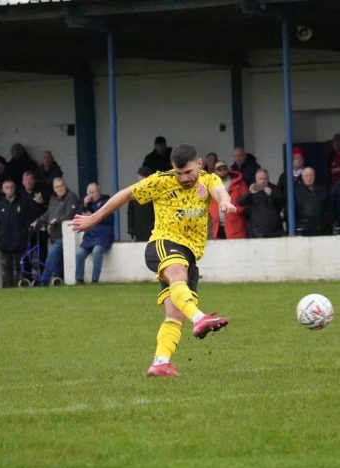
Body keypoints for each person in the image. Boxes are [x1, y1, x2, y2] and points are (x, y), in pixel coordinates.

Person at [71, 143, 236, 377]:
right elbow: (125, 194)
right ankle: (199, 318)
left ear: (198, 164)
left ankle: (160, 363)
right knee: (178, 274)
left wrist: (225, 202)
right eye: (179, 174)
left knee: (175, 314)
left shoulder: (207, 180)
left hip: (190, 254)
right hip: (163, 243)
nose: (184, 178)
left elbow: (220, 191)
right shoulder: (161, 181)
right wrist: (94, 219)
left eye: (188, 172)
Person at [32, 177, 79, 285]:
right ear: (54, 188)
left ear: (65, 185)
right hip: (52, 235)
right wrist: (37, 221)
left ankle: (43, 281)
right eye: (57, 187)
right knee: (56, 260)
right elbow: (48, 214)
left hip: (63, 236)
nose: (59, 188)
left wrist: (56, 220)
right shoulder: (53, 199)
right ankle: (59, 280)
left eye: (61, 186)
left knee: (51, 257)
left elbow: (70, 215)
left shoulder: (71, 197)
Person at [0, 179, 28, 288]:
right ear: (3, 190)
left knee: (20, 264)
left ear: (15, 189)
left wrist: (23, 235)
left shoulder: (22, 203)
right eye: (7, 188)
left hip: (19, 241)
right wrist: (0, 236)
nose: (10, 190)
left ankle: (20, 284)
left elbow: (26, 221)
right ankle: (7, 286)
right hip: (4, 241)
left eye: (12, 187)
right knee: (6, 265)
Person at [75, 183, 113, 284]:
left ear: (99, 192)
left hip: (103, 234)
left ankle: (95, 280)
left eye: (95, 192)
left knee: (96, 252)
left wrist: (93, 217)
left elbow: (108, 219)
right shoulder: (88, 204)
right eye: (90, 193)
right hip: (90, 236)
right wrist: (84, 204)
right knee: (79, 253)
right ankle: (79, 279)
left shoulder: (106, 201)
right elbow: (77, 215)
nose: (93, 195)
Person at [238, 168, 284, 238]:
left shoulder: (274, 188)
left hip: (275, 230)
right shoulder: (253, 190)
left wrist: (272, 195)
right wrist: (249, 193)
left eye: (264, 178)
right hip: (259, 231)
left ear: (268, 179)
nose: (263, 181)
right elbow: (241, 203)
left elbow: (282, 202)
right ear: (256, 180)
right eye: (260, 179)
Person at [208, 161, 248, 239]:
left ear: (228, 169)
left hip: (235, 226)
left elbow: (246, 201)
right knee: (221, 250)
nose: (222, 171)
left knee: (236, 250)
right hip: (218, 227)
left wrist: (236, 211)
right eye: (219, 169)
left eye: (224, 168)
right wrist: (212, 213)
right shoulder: (211, 186)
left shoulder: (239, 183)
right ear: (215, 172)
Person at [295, 167, 332, 236]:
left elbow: (330, 208)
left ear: (314, 176)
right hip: (305, 231)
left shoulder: (322, 189)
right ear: (302, 177)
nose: (309, 178)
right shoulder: (296, 192)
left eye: (311, 175)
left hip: (323, 230)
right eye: (306, 176)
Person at [127, 167, 155, 242]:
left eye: (140, 177)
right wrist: (131, 228)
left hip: (151, 227)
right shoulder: (135, 192)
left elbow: (130, 213)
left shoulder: (155, 192)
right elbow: (131, 212)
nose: (139, 179)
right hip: (140, 227)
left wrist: (131, 228)